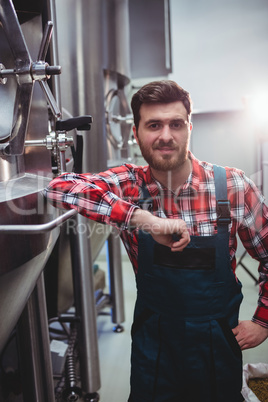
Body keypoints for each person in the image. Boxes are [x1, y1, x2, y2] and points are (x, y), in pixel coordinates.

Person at [45, 80, 268, 402]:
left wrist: (263, 320)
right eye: (153, 125)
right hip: (154, 343)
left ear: (189, 128)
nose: (166, 135)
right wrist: (143, 219)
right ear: (135, 133)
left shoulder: (233, 186)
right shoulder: (130, 183)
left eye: (175, 124)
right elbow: (57, 188)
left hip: (217, 342)